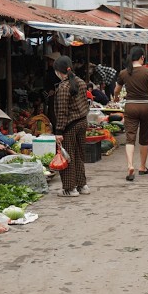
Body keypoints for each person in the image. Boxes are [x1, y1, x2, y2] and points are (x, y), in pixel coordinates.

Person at [117, 48, 148, 181]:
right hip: (146, 107)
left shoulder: (123, 73)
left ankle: (130, 165)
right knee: (144, 137)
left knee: (130, 138)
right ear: (142, 58)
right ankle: (142, 167)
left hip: (131, 106)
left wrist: (115, 97)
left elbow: (117, 89)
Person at [52, 56, 90, 198]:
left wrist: (59, 131)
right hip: (82, 122)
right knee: (79, 155)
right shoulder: (80, 82)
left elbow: (62, 112)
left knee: (67, 157)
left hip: (69, 126)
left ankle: (69, 188)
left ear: (58, 71)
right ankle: (82, 185)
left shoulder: (63, 87)